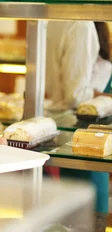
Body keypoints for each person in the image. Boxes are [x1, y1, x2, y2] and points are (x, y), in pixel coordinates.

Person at [45, 20, 111, 214]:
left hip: (60, 125)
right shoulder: (81, 26)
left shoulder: (54, 20)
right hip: (81, 129)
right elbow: (76, 94)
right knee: (89, 214)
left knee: (69, 214)